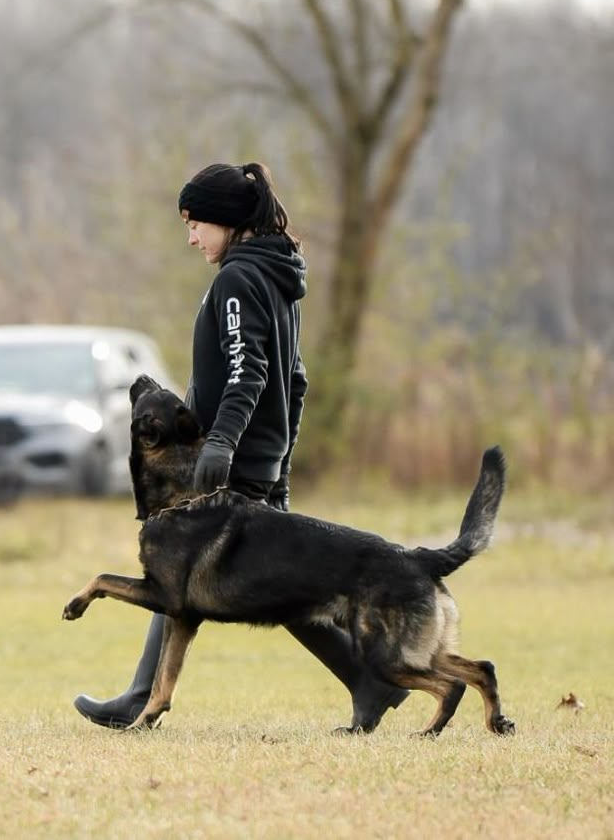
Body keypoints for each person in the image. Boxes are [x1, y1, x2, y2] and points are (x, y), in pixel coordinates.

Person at [73, 162, 408, 731]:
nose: (192, 236)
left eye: (196, 223)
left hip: (231, 459)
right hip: (261, 455)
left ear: (227, 221)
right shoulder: (276, 276)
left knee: (176, 565)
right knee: (282, 585)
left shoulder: (236, 280)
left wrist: (222, 442)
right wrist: (281, 456)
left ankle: (139, 698)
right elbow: (294, 378)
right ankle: (369, 682)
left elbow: (248, 371)